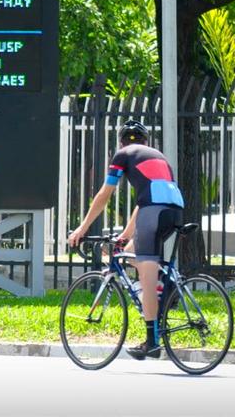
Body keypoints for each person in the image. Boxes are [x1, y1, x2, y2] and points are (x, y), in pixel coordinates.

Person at [68, 120, 184, 360]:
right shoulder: (159, 157)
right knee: (132, 254)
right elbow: (145, 203)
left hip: (153, 213)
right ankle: (164, 286)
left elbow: (104, 194)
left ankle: (152, 342)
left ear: (121, 141)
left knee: (147, 275)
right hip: (173, 211)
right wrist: (124, 236)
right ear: (146, 142)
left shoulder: (122, 155)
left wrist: (82, 227)